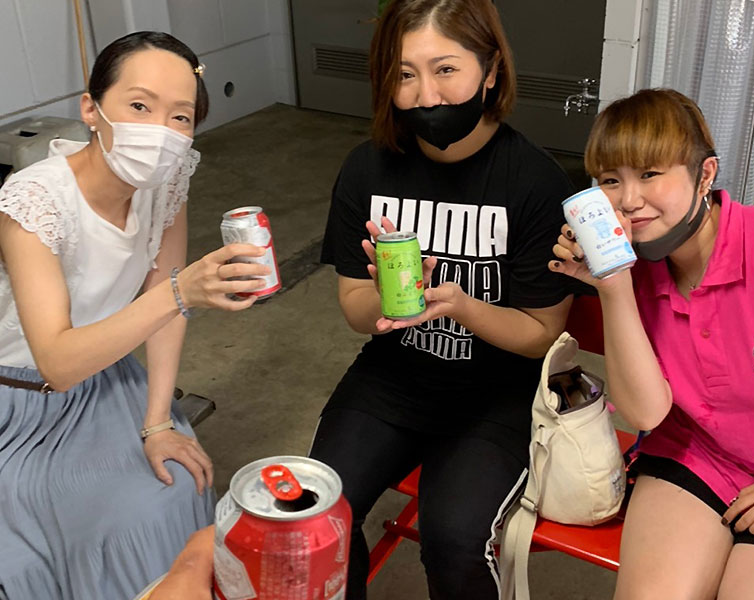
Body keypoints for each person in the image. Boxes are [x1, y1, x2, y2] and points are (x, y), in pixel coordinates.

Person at [551, 88, 754, 600]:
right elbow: (645, 414)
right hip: (703, 453)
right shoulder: (636, 268)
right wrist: (613, 286)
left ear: (705, 175)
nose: (628, 200)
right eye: (611, 180)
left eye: (650, 174)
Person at [310, 0, 583, 597]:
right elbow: (356, 308)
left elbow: (542, 334)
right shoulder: (367, 169)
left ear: (491, 71)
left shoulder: (535, 182)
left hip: (498, 394)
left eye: (446, 69)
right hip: (392, 379)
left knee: (454, 538)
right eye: (405, 74)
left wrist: (461, 306)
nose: (426, 96)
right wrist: (386, 299)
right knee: (319, 514)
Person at [0, 32, 270, 600]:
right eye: (140, 106)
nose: (160, 132)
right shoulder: (34, 201)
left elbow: (165, 310)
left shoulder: (167, 183)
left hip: (111, 377)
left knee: (177, 483)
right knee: (63, 543)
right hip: (20, 399)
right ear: (91, 109)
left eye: (180, 117)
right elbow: (57, 362)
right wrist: (181, 290)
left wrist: (158, 422)